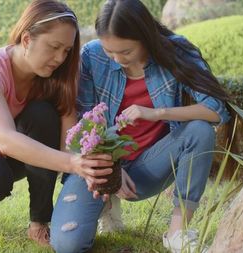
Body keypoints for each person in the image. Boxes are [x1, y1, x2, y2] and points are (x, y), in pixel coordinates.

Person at [50, 0, 232, 252]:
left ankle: (177, 232)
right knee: (67, 244)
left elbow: (216, 108)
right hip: (100, 166)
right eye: (109, 51)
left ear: (145, 37)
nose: (116, 59)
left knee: (199, 130)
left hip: (149, 166)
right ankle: (106, 205)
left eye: (125, 52)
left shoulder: (175, 52)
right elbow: (85, 122)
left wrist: (157, 113)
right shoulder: (92, 56)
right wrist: (111, 166)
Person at [0, 0, 114, 247]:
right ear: (27, 39)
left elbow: (68, 140)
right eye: (54, 47)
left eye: (66, 51)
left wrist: (92, 168)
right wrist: (74, 163)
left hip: (6, 155)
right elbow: (5, 139)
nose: (60, 58)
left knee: (43, 114)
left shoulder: (50, 78)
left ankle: (39, 223)